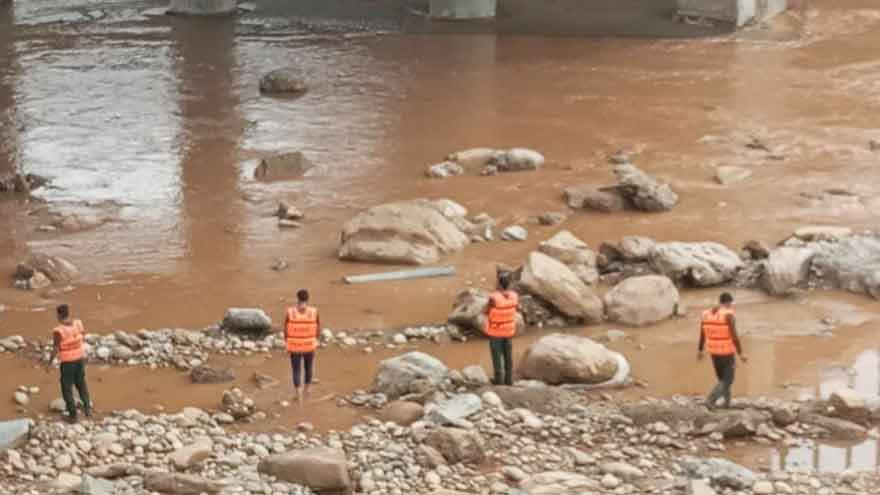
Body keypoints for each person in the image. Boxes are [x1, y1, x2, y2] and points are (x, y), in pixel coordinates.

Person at [698, 292, 748, 409]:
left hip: (713, 351)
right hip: (726, 351)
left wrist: (700, 350)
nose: (731, 306)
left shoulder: (706, 314)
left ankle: (727, 403)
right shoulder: (728, 315)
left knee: (722, 379)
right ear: (728, 303)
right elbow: (734, 336)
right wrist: (741, 353)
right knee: (728, 380)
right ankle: (710, 400)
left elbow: (702, 333)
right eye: (731, 304)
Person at [47, 304, 92, 422]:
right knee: (81, 383)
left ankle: (73, 415)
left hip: (67, 362)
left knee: (66, 387)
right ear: (68, 313)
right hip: (80, 358)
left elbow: (56, 348)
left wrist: (49, 362)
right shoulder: (78, 323)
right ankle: (87, 408)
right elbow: (83, 336)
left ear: (59, 315)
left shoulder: (59, 331)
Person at [285, 289, 320, 404]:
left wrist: (287, 343)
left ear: (297, 298)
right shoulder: (314, 311)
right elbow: (318, 328)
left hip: (294, 346)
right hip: (309, 345)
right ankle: (307, 391)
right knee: (308, 368)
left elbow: (286, 330)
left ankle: (298, 394)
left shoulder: (290, 312)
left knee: (296, 370)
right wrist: (315, 340)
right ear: (308, 298)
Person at [485, 271, 519, 386]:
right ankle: (509, 380)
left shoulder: (493, 298)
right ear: (509, 284)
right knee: (508, 357)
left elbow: (486, 310)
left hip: (496, 332)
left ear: (498, 284)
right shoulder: (514, 296)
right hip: (508, 331)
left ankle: (498, 380)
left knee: (496, 358)